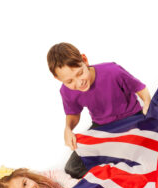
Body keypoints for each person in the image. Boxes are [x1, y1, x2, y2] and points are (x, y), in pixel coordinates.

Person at [47, 42, 152, 178]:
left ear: (84, 60)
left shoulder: (112, 71)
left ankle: (125, 163)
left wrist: (147, 103)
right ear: (58, 78)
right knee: (72, 168)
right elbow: (73, 113)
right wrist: (68, 129)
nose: (79, 83)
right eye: (69, 81)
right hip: (102, 127)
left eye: (80, 73)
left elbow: (140, 88)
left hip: (131, 118)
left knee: (146, 154)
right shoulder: (66, 91)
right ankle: (115, 170)